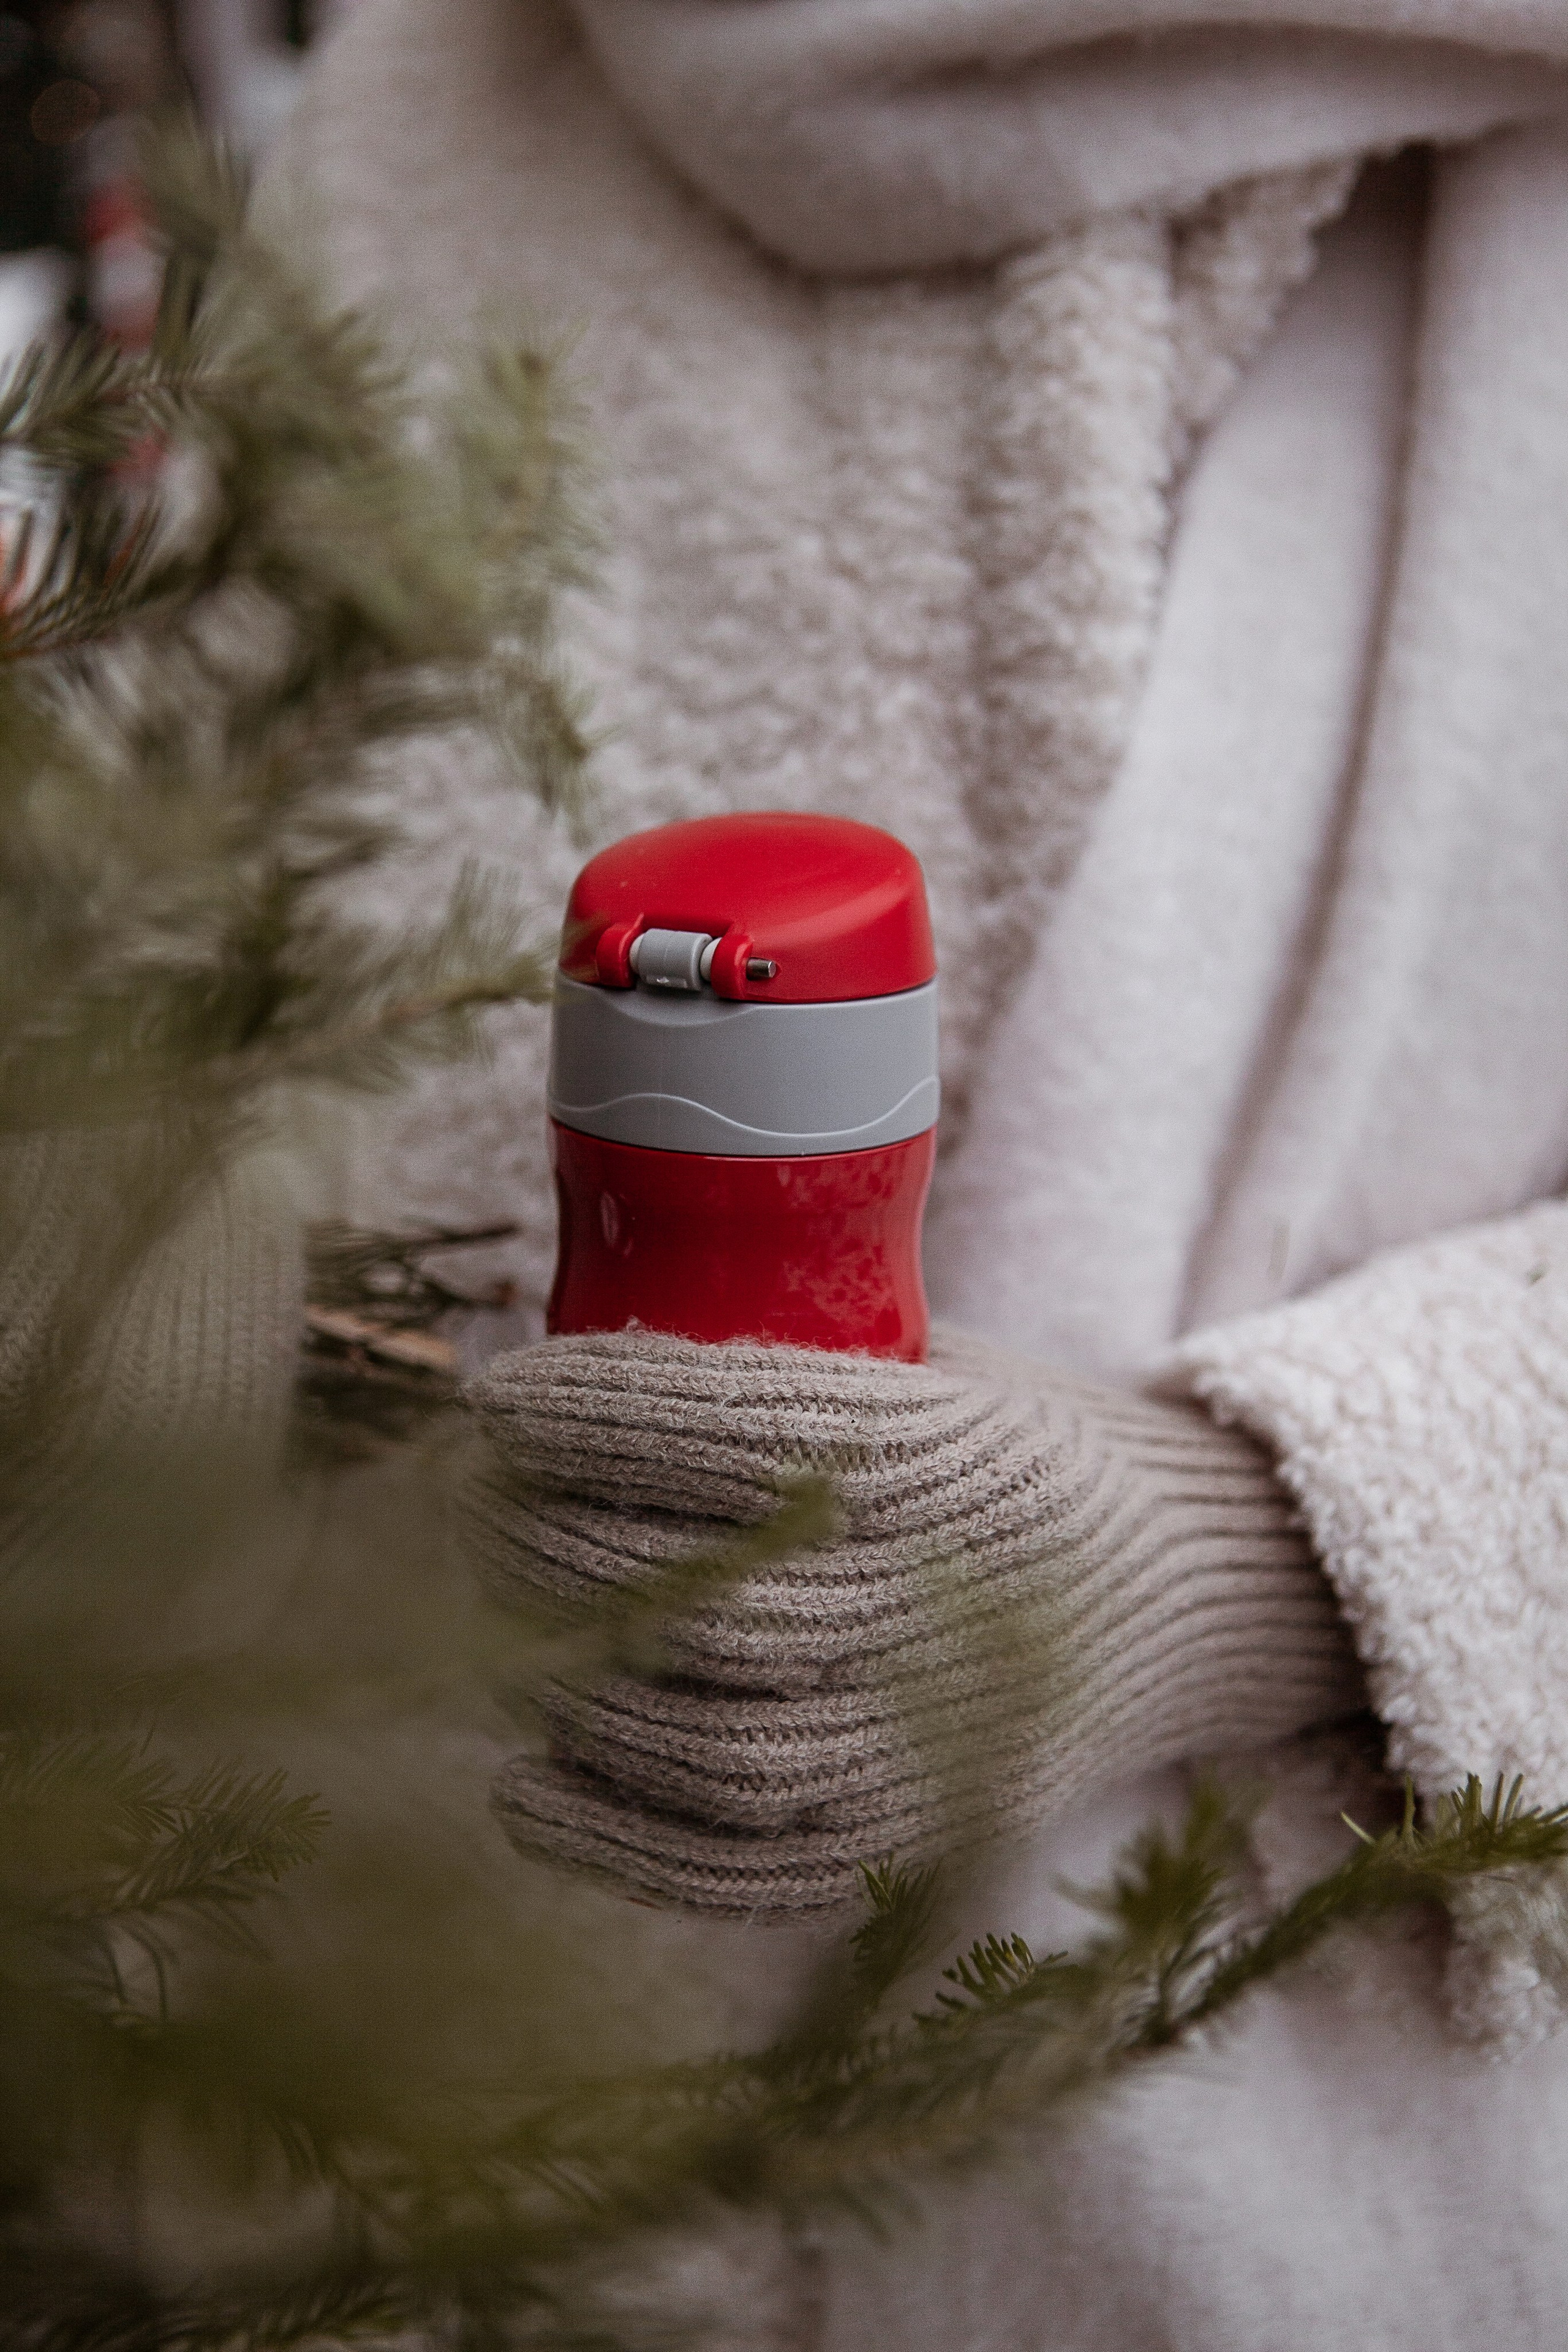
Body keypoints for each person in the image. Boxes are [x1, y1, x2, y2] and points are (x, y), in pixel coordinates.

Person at [271, 1, 1568, 2342]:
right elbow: (238, 945)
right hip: (395, 2136)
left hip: (1266, 2209)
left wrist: (1244, 1542)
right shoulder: (435, 96)